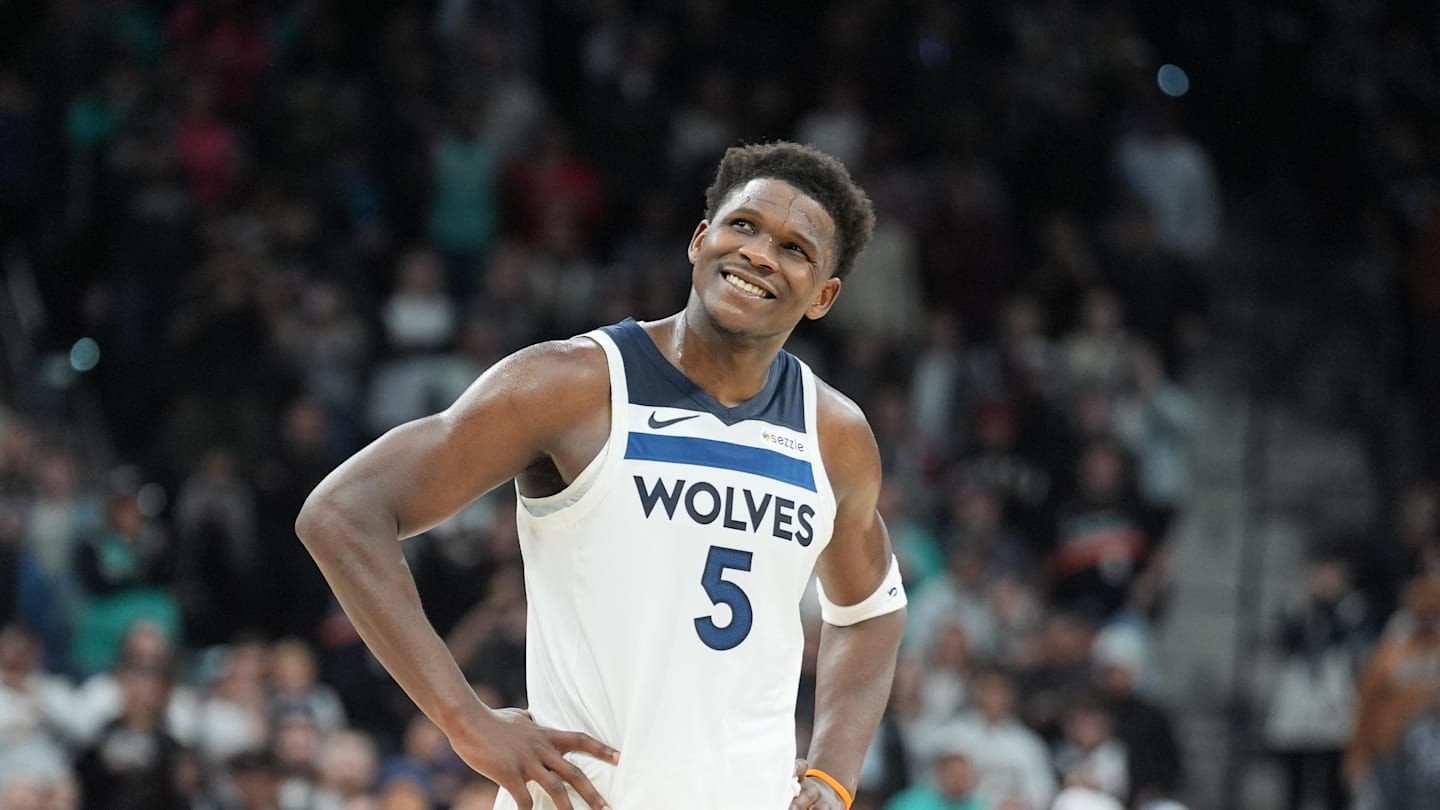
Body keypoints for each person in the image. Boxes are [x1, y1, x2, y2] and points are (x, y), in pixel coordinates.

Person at [296, 142, 909, 810]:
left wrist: (830, 776)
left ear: (823, 296)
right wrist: (463, 720)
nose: (760, 253)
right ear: (701, 240)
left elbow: (871, 611)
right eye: (744, 225)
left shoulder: (834, 434)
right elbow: (342, 512)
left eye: (795, 249)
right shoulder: (571, 385)